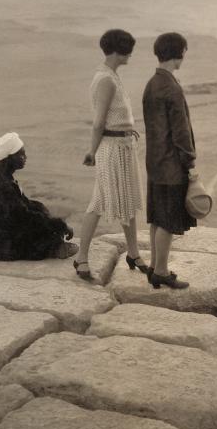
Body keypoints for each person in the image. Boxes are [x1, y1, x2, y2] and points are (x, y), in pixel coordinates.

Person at [73, 29, 148, 281]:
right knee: (104, 202)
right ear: (118, 50)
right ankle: (83, 258)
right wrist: (91, 151)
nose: (131, 54)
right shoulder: (105, 79)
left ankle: (133, 253)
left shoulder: (111, 75)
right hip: (112, 148)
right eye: (128, 49)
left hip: (122, 148)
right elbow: (98, 122)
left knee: (118, 201)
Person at [142, 32, 197, 289]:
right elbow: (181, 131)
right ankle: (162, 272)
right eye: (184, 51)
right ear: (179, 52)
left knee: (157, 218)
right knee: (168, 220)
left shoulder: (152, 83)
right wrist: (189, 161)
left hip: (154, 162)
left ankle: (154, 267)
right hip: (171, 165)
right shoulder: (171, 87)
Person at [0, 132, 77, 261]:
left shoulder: (0, 174)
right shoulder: (1, 184)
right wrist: (60, 225)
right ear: (9, 158)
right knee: (38, 232)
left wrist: (46, 215)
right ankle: (55, 247)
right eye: (21, 154)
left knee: (39, 209)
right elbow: (24, 217)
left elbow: (24, 205)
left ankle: (55, 243)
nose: (25, 157)